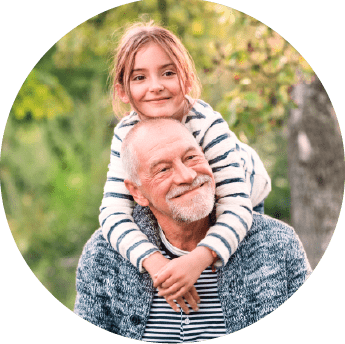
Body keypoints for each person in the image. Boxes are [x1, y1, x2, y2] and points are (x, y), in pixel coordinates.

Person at [75, 118, 311, 342]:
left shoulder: (277, 243)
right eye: (163, 170)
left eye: (191, 157)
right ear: (137, 192)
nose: (187, 176)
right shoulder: (102, 256)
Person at [99, 21, 271, 307]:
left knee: (234, 273)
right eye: (139, 78)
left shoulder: (206, 124)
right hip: (180, 206)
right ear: (122, 91)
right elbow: (113, 214)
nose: (155, 87)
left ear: (187, 80)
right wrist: (156, 264)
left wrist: (197, 261)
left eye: (168, 73)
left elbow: (236, 206)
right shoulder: (126, 135)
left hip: (242, 195)